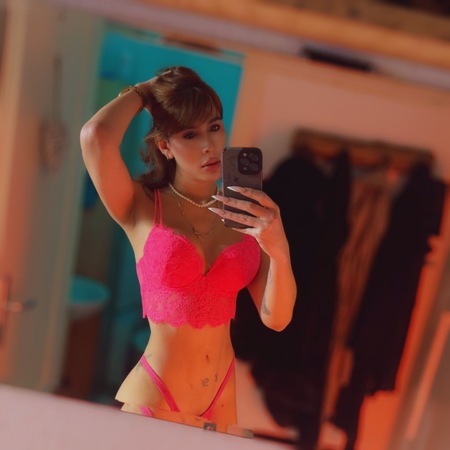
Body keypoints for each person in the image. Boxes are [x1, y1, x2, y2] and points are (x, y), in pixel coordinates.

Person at [80, 66, 296, 429]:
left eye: (214, 127)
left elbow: (277, 319)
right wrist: (148, 90)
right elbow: (95, 137)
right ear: (165, 146)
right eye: (189, 134)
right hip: (157, 397)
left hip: (222, 400)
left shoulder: (246, 215)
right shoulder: (140, 204)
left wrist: (279, 249)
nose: (209, 145)